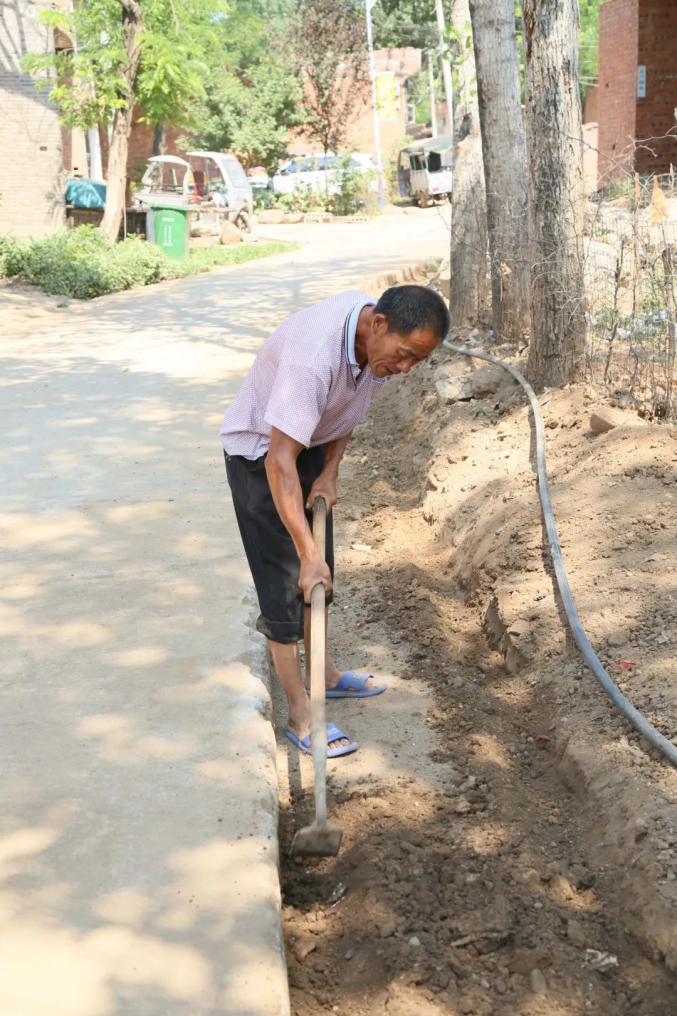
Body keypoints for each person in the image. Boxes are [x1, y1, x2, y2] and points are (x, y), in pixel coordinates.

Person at [220, 285, 450, 757]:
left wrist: (328, 471)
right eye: (405, 356)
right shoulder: (315, 358)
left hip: (308, 447)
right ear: (379, 325)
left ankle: (323, 675)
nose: (406, 370)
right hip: (262, 456)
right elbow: (279, 462)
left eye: (417, 362)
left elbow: (348, 407)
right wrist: (303, 553)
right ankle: (301, 715)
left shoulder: (375, 342)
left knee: (320, 574)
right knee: (286, 586)